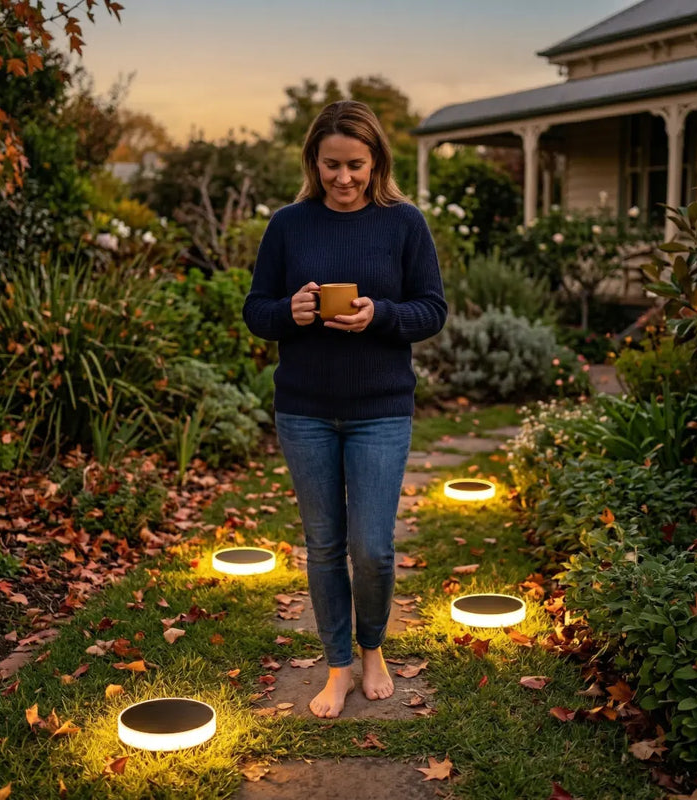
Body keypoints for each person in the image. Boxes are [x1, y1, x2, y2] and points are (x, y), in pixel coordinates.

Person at [242, 100, 447, 719]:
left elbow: (431, 310)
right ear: (314, 161)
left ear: (376, 160)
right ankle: (336, 667)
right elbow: (257, 310)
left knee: (373, 548)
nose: (343, 178)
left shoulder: (404, 223)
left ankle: (373, 648)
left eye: (355, 165)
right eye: (331, 165)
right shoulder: (288, 224)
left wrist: (380, 315)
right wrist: (291, 313)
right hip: (304, 409)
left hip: (380, 409)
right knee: (325, 545)